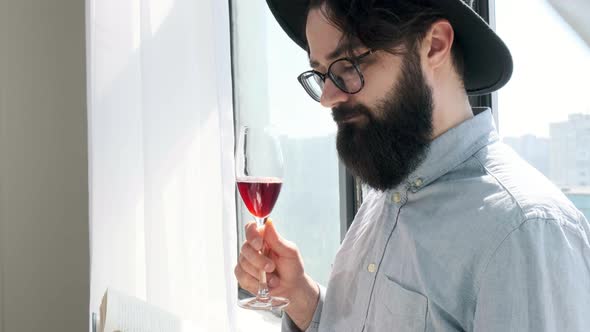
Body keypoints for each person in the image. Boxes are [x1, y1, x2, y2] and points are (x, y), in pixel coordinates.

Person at [234, 0, 590, 331]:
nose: (328, 96)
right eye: (322, 73)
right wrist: (304, 300)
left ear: (434, 45)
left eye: (350, 64)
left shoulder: (524, 231)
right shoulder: (385, 191)